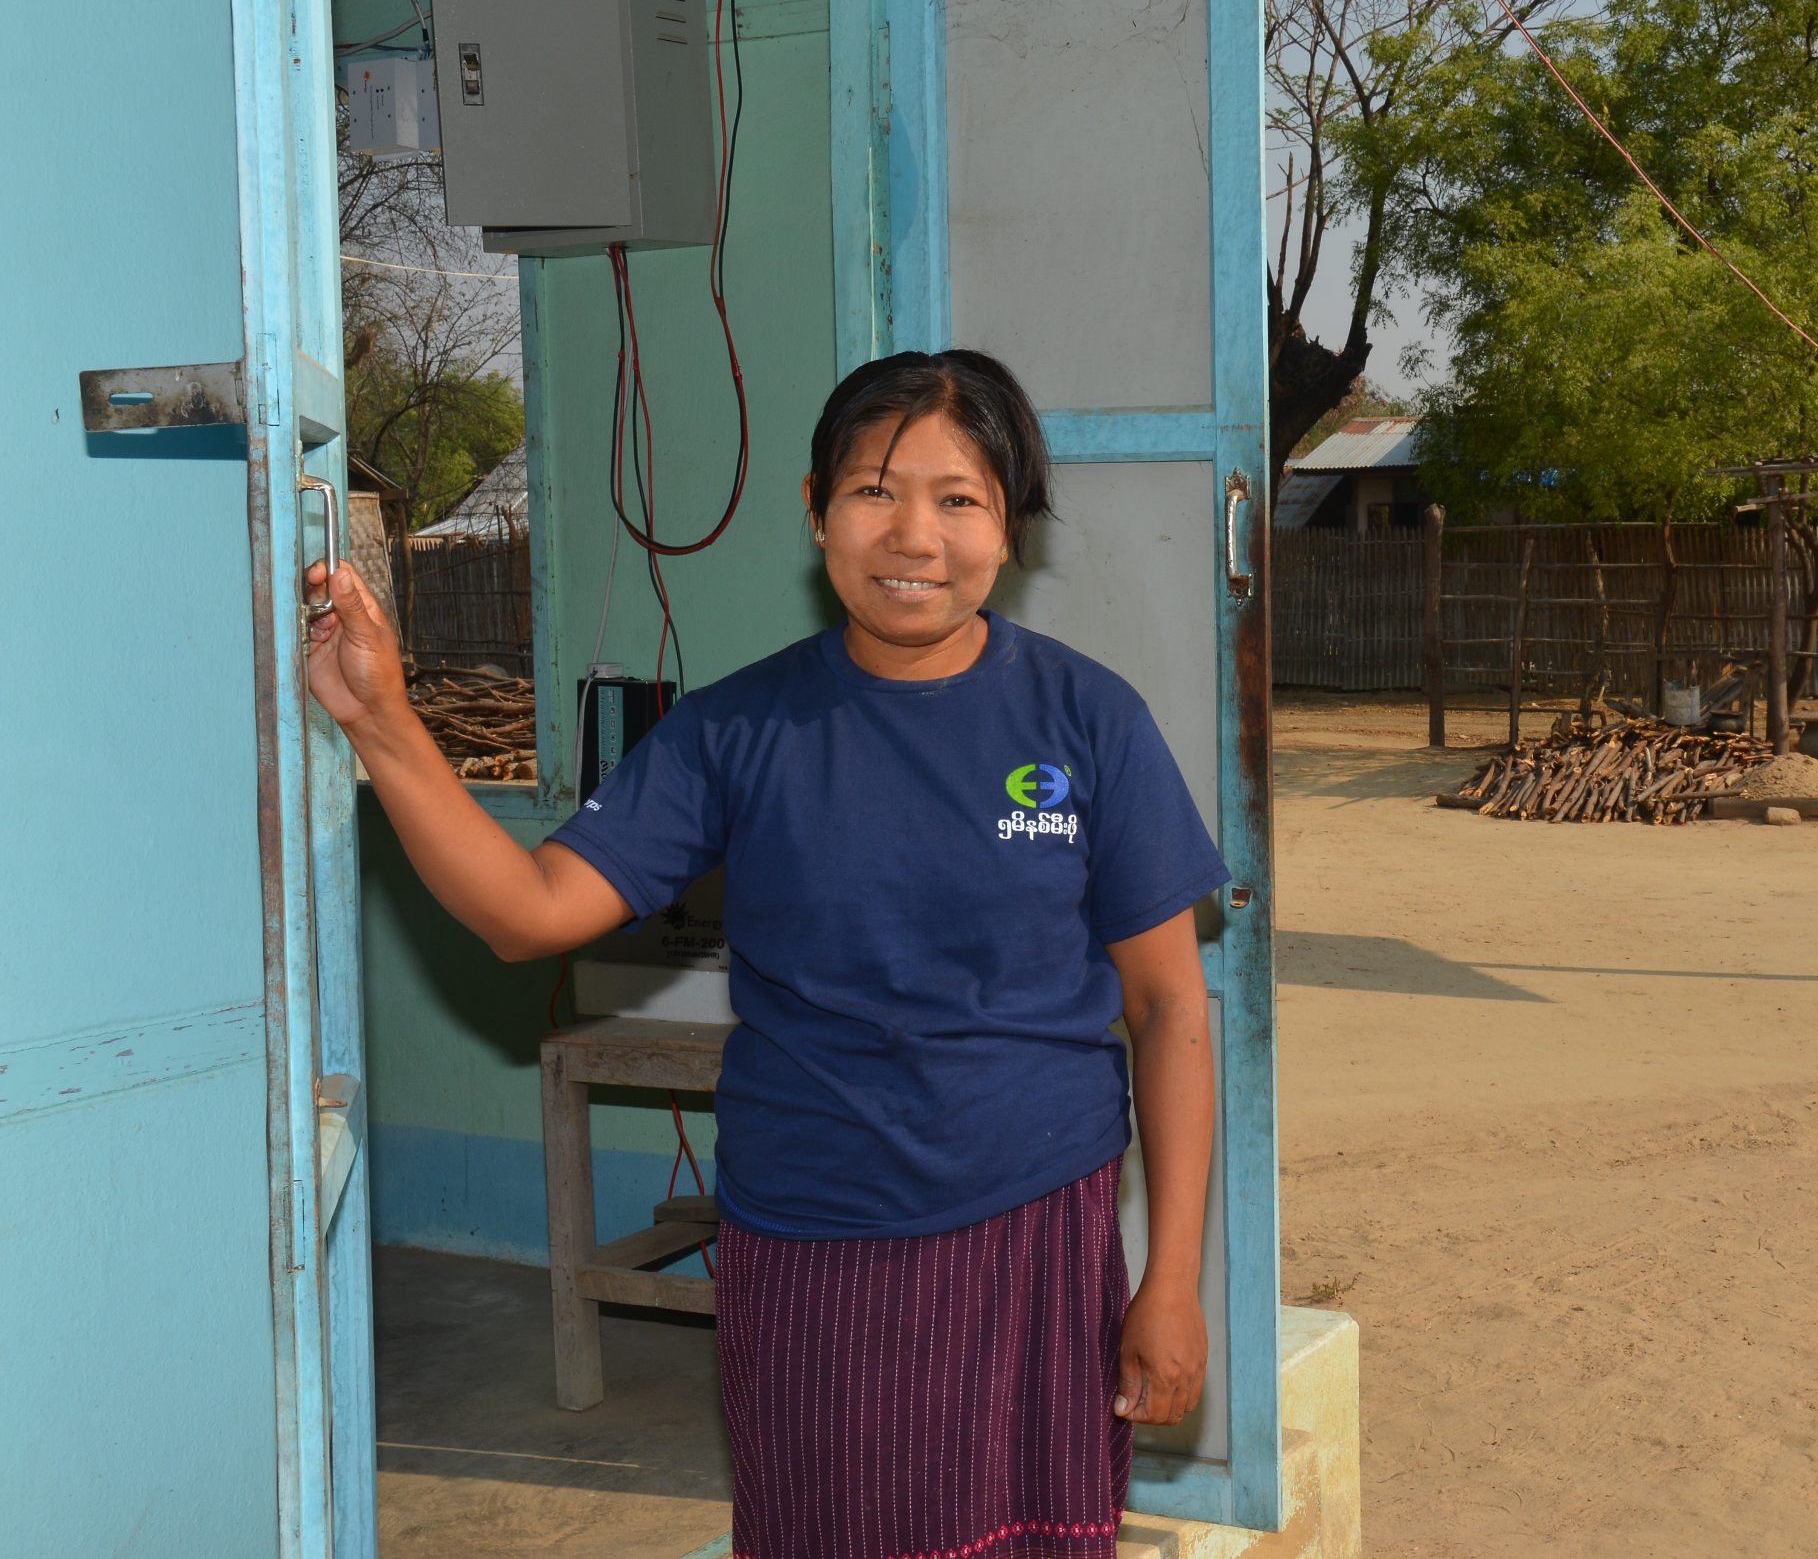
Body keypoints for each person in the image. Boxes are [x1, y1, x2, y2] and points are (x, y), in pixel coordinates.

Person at [306, 349, 1226, 1559]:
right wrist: (382, 721)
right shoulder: (734, 733)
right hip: (814, 1235)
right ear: (814, 510)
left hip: (1034, 1228)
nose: (913, 534)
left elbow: (1170, 1013)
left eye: (960, 499)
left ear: (1011, 531)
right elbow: (525, 913)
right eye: (873, 490)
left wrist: (1167, 1282)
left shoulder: (1087, 719)